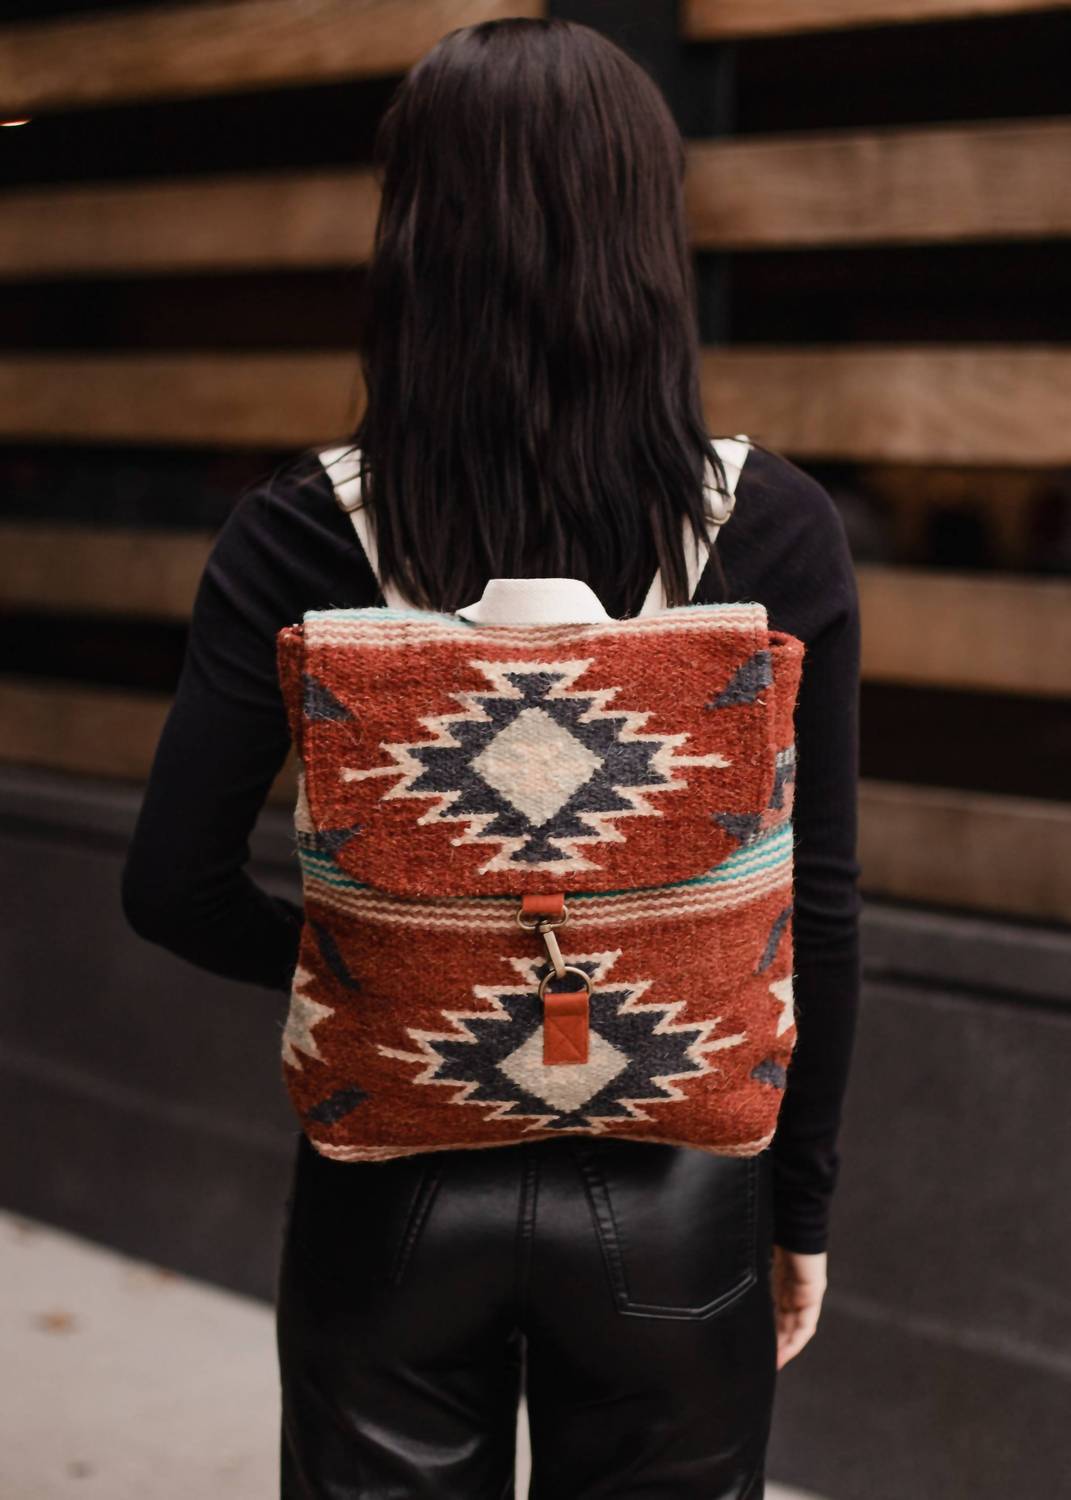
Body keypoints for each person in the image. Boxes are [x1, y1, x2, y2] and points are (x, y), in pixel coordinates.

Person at [121, 17, 860, 1498]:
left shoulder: (301, 532)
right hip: (680, 1193)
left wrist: (396, 974)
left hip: (388, 1194)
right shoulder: (774, 529)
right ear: (650, 236)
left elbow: (171, 885)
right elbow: (818, 911)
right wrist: (803, 1211)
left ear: (411, 239)